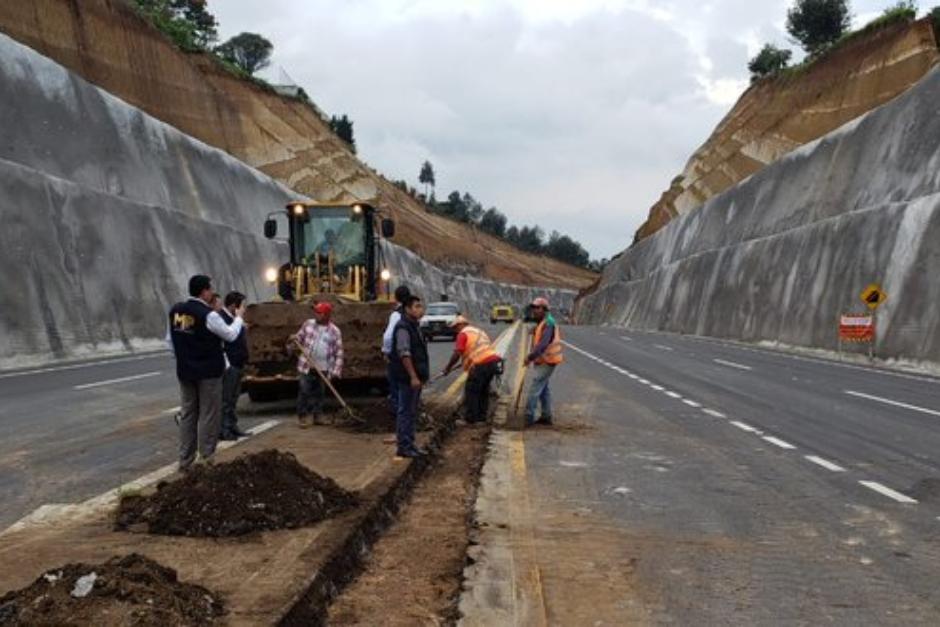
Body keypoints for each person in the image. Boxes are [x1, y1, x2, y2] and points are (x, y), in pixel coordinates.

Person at [168, 275, 245, 471]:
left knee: (188, 415)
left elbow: (170, 342)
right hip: (209, 373)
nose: (212, 293)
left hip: (185, 372)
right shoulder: (207, 314)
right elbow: (230, 334)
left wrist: (185, 357)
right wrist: (238, 318)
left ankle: (185, 461)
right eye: (210, 289)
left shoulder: (176, 311)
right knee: (209, 415)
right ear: (204, 291)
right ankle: (206, 458)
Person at [441, 315, 503, 424]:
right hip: (493, 362)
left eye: (455, 327)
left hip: (481, 364)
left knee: (471, 391)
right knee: (483, 390)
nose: (455, 330)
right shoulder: (479, 332)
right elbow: (477, 348)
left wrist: (447, 368)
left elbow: (457, 352)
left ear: (461, 325)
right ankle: (481, 418)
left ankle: (471, 419)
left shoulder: (463, 333)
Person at [291, 301, 344, 428]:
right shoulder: (308, 324)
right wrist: (294, 339)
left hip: (324, 367)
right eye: (316, 312)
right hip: (307, 365)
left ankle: (318, 415)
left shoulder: (335, 331)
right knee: (304, 390)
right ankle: (302, 417)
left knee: (320, 393)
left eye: (319, 313)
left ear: (326, 315)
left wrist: (336, 371)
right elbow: (299, 337)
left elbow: (339, 352)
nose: (316, 314)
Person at [388, 295, 429, 458]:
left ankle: (410, 444)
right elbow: (404, 353)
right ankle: (404, 446)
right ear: (407, 309)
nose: (420, 309)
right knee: (405, 411)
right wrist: (413, 376)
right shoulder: (403, 328)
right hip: (406, 378)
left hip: (414, 376)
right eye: (417, 306)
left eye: (421, 306)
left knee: (411, 411)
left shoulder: (414, 326)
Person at [523, 296, 563, 426]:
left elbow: (543, 344)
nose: (534, 310)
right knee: (543, 388)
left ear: (544, 309)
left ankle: (528, 417)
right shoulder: (542, 322)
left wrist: (530, 357)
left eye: (537, 308)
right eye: (533, 308)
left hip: (548, 360)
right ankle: (546, 416)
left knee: (535, 386)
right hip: (543, 360)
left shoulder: (548, 323)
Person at [219, 291, 249, 441]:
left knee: (234, 398)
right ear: (233, 306)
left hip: (238, 364)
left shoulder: (235, 319)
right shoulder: (222, 319)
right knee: (226, 399)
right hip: (230, 366)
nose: (244, 309)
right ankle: (224, 430)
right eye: (242, 306)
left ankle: (232, 426)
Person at [382, 285, 412, 415]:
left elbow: (388, 336)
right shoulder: (410, 312)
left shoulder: (396, 315)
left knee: (396, 388)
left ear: (395, 297)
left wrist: (386, 352)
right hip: (410, 356)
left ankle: (398, 417)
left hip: (397, 358)